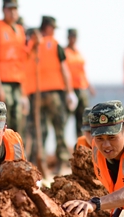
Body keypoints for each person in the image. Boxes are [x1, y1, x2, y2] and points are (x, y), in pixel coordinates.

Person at [25, 16, 76, 175]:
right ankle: (45, 162)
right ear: (48, 28)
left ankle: (43, 161)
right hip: (47, 93)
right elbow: (64, 70)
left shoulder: (31, 44)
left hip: (39, 93)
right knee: (53, 129)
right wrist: (69, 92)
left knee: (45, 130)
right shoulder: (50, 44)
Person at [0, 0, 27, 134]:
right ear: (4, 10)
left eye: (15, 9)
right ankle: (0, 152)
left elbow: (23, 59)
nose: (13, 12)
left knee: (17, 119)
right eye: (10, 9)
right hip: (2, 81)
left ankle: (14, 152)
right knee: (0, 119)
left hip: (17, 81)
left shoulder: (20, 30)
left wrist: (24, 91)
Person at [65, 28, 95, 139]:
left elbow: (83, 72)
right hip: (70, 89)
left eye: (74, 37)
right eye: (71, 36)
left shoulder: (79, 53)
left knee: (83, 118)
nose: (73, 39)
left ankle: (81, 141)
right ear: (68, 37)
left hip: (82, 88)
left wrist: (89, 86)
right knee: (65, 117)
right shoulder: (65, 52)